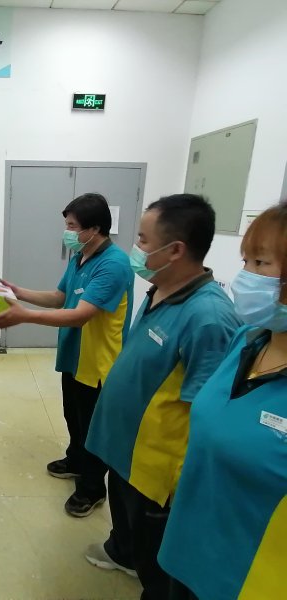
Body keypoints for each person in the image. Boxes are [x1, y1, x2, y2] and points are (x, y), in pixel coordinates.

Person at [84, 194, 241, 599]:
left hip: (156, 465)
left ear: (175, 250)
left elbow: (207, 410)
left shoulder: (209, 317)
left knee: (156, 558)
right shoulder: (160, 289)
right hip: (126, 446)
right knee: (126, 519)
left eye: (142, 239)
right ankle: (122, 551)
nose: (135, 247)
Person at [158, 201, 287, 600]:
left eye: (260, 263)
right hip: (190, 548)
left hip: (250, 578)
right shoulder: (247, 340)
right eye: (245, 261)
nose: (245, 277)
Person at [0, 193, 134, 517]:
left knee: (93, 428)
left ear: (94, 229)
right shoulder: (80, 256)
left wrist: (24, 316)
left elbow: (80, 315)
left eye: (72, 226)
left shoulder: (113, 265)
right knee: (73, 415)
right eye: (67, 225)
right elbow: (59, 297)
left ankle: (92, 489)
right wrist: (18, 292)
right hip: (74, 355)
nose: (67, 232)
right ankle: (75, 460)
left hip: (98, 363)